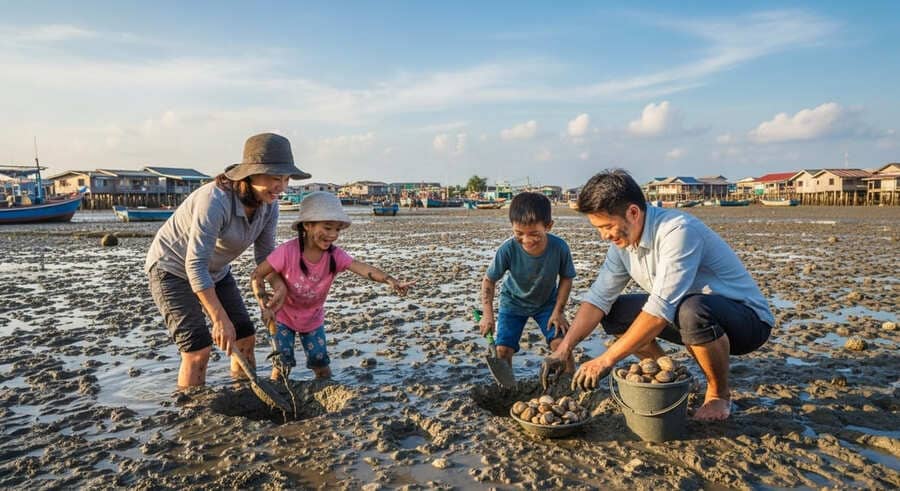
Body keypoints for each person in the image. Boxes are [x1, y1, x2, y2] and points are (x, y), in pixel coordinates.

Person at [541, 169, 773, 421]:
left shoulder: (677, 231)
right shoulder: (622, 246)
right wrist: (563, 349)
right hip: (686, 314)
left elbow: (661, 308)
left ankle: (718, 394)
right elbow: (598, 300)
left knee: (691, 310)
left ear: (633, 212)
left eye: (607, 226)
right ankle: (669, 372)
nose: (604, 235)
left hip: (746, 323)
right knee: (615, 313)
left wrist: (605, 360)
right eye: (598, 228)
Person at [146, 132, 309, 388]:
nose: (282, 187)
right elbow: (194, 265)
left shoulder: (270, 205)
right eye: (275, 179)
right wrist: (219, 319)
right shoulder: (215, 200)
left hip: (216, 271)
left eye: (286, 179)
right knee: (198, 348)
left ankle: (245, 394)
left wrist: (279, 286)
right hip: (172, 269)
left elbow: (265, 257)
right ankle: (192, 412)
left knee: (245, 336)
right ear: (250, 175)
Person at [250, 191, 414, 380]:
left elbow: (361, 268)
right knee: (282, 365)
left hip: (313, 320)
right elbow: (257, 275)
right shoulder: (287, 252)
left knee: (321, 365)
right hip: (283, 319)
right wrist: (264, 305)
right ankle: (277, 402)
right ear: (307, 225)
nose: (333, 235)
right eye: (327, 228)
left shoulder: (335, 256)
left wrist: (390, 280)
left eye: (337, 230)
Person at [479, 192, 577, 374]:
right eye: (519, 233)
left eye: (534, 234)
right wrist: (487, 315)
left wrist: (558, 312)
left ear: (548, 226)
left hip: (546, 304)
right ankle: (507, 389)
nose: (526, 240)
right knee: (502, 350)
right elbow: (489, 280)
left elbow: (566, 278)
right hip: (513, 303)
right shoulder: (507, 249)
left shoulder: (559, 247)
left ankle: (571, 383)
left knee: (561, 344)